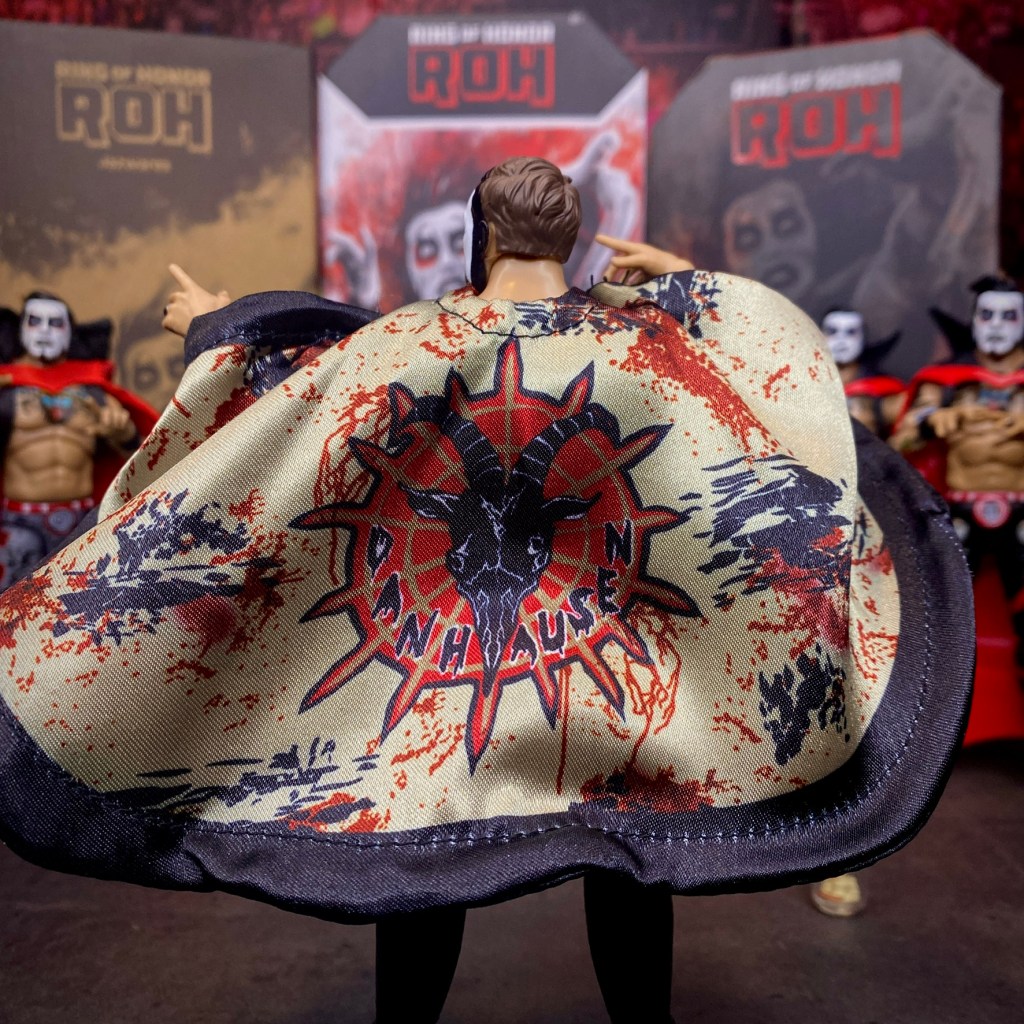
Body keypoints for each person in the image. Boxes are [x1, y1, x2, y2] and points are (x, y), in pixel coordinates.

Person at [0, 160, 973, 1023]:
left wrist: (226, 329)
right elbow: (755, 367)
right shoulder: (640, 342)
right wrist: (682, 280)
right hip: (601, 651)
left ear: (487, 232)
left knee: (423, 835)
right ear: (573, 235)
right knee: (633, 840)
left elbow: (302, 392)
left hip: (444, 652)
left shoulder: (412, 339)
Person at [0, 292, 157, 591]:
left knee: (80, 600)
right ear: (20, 328)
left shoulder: (93, 392)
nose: (44, 331)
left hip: (79, 519)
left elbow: (136, 453)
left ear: (70, 332)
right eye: (35, 321)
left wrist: (123, 435)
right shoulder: (7, 390)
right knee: (10, 604)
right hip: (19, 521)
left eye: (55, 323)